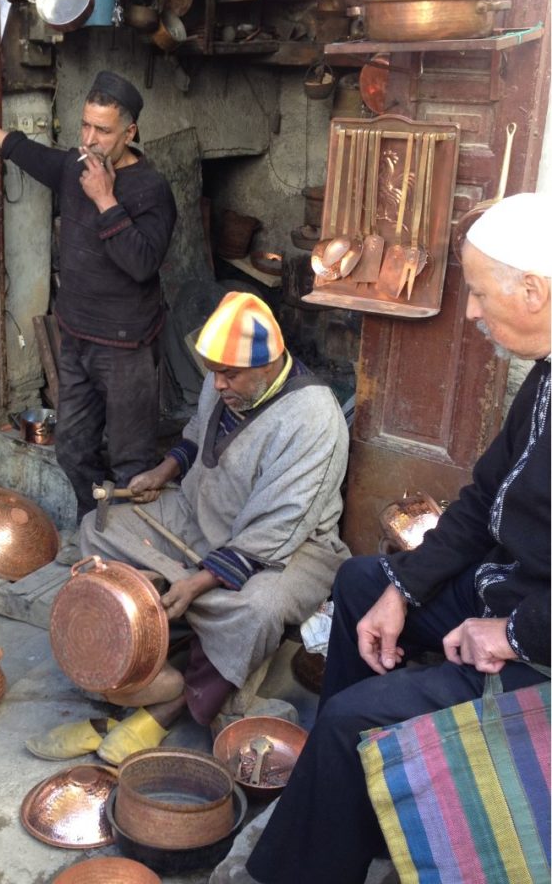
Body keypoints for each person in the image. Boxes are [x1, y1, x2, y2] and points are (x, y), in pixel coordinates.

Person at [245, 191, 551, 884]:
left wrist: (508, 635)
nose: (469, 312)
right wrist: (403, 589)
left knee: (355, 719)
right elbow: (479, 501)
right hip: (511, 591)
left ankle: (316, 841)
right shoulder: (543, 375)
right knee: (361, 583)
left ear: (531, 290)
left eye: (476, 292)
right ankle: (350, 809)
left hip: (539, 635)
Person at [27, 291, 350, 764]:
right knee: (102, 524)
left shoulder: (313, 418)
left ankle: (165, 706)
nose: (217, 384)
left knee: (256, 609)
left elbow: (280, 524)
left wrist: (200, 579)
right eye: (213, 372)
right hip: (204, 515)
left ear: (270, 364)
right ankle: (142, 649)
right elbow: (197, 435)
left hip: (291, 548)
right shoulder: (223, 379)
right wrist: (161, 472)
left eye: (229, 374)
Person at [0, 72, 177, 521]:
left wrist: (106, 200)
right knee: (73, 450)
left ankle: (132, 557)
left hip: (126, 347)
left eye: (104, 130)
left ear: (129, 132)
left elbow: (143, 263)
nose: (90, 140)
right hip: (76, 338)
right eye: (85, 126)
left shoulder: (152, 189)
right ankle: (93, 529)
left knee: (133, 463)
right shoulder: (76, 166)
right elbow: (32, 155)